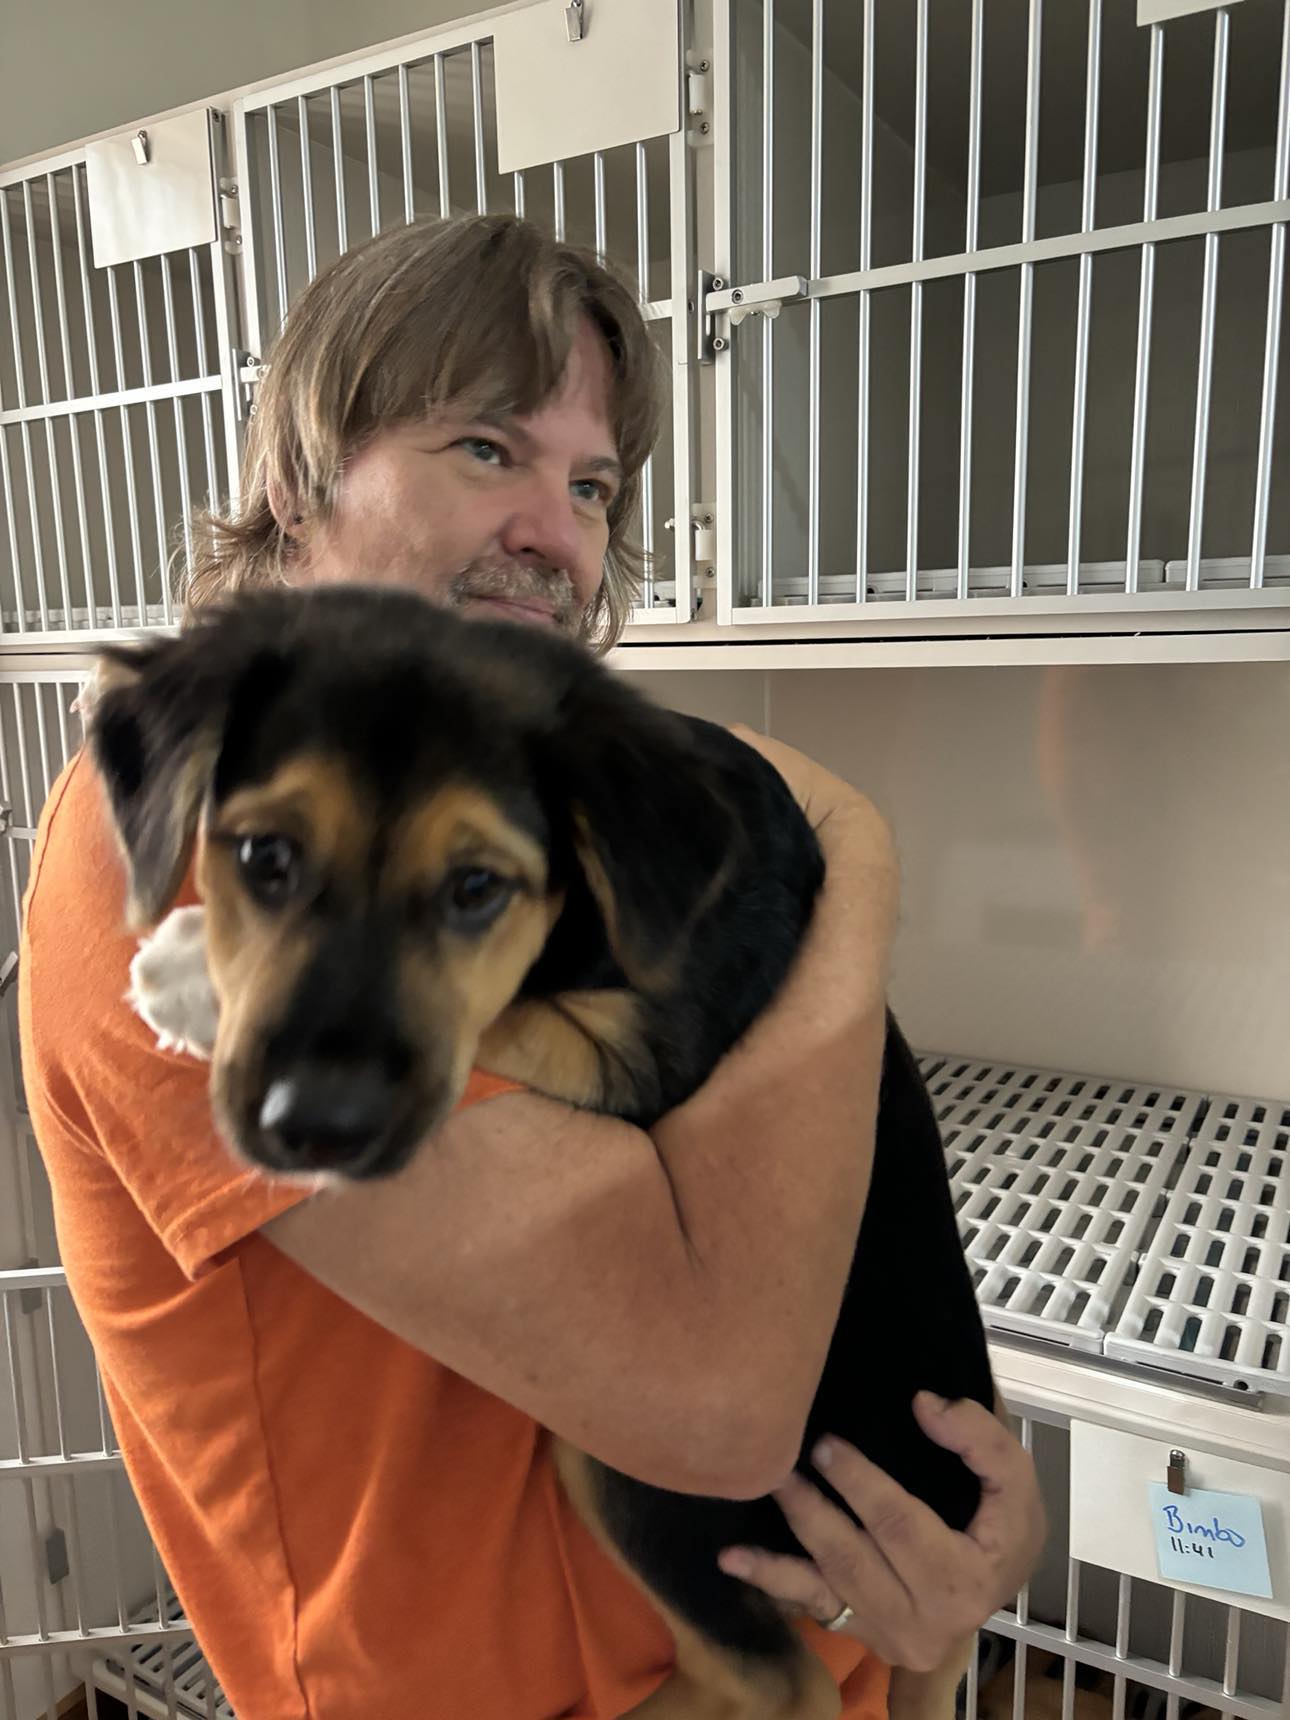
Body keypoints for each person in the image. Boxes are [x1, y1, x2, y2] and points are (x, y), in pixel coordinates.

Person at [20, 214, 1043, 1720]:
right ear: (300, 476)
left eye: (592, 484)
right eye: (486, 448)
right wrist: (861, 854)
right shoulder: (205, 843)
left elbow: (827, 1186)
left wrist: (950, 1550)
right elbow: (714, 1399)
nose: (555, 535)